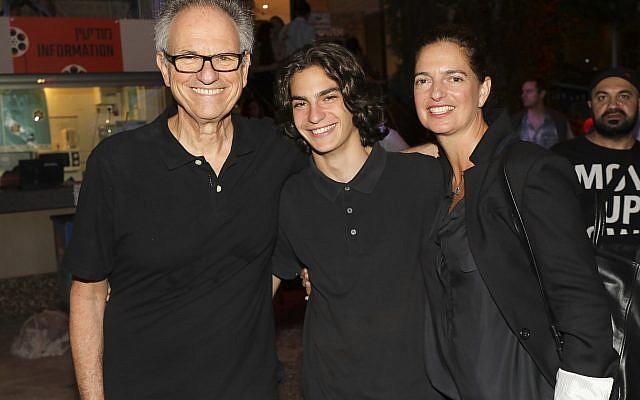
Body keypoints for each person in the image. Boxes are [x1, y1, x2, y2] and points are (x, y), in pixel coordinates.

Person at [64, 0, 305, 399]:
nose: (208, 73)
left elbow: (344, 176)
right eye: (189, 57)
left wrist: (437, 152)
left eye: (224, 57)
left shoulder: (277, 152)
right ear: (164, 67)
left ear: (245, 68)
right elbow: (88, 294)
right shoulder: (116, 164)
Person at [413, 26, 618, 399]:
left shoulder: (527, 169)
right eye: (422, 80)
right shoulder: (437, 184)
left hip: (523, 385)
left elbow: (580, 299)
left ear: (483, 90)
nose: (435, 93)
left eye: (453, 78)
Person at [271, 42, 445, 399]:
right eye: (300, 103)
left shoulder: (422, 178)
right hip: (330, 389)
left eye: (328, 97)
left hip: (422, 388)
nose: (314, 115)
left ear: (354, 100)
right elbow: (255, 295)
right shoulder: (290, 198)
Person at [553, 67, 640, 258]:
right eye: (602, 97)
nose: (613, 105)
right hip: (580, 282)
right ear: (591, 105)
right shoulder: (560, 159)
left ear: (638, 103)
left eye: (624, 96)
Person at [513, 78, 573, 148]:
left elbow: (571, 146)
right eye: (523, 92)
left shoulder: (559, 119)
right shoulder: (515, 121)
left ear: (542, 94)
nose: (523, 95)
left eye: (528, 91)